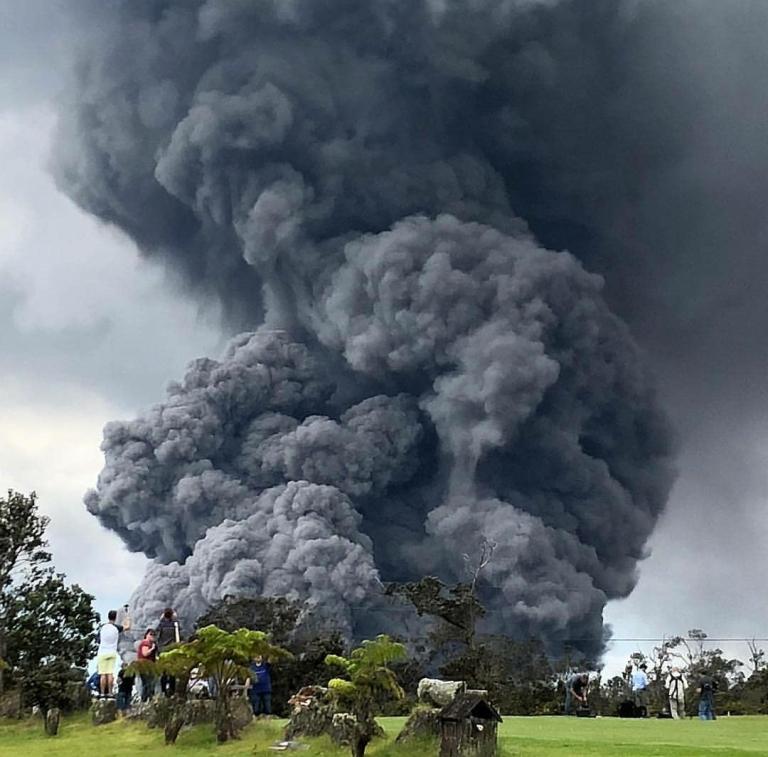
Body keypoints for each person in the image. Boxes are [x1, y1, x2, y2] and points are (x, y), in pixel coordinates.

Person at [96, 608, 131, 699]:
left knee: (103, 674)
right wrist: (127, 616)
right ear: (115, 618)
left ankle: (103, 693)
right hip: (112, 652)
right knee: (110, 673)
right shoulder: (116, 627)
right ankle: (110, 693)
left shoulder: (102, 627)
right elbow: (127, 627)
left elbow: (98, 640)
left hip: (102, 652)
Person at [157, 608, 181, 697]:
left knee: (163, 673)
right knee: (172, 673)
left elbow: (157, 636)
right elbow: (178, 635)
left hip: (163, 651)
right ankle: (172, 692)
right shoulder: (175, 624)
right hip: (172, 651)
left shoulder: (161, 625)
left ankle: (163, 692)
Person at [137, 628, 158, 702]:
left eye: (154, 635)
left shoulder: (152, 644)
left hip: (149, 667)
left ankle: (148, 699)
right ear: (146, 635)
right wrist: (152, 649)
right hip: (145, 667)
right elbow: (145, 653)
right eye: (151, 634)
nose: (152, 636)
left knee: (149, 684)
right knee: (147, 684)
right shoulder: (145, 643)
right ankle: (145, 700)